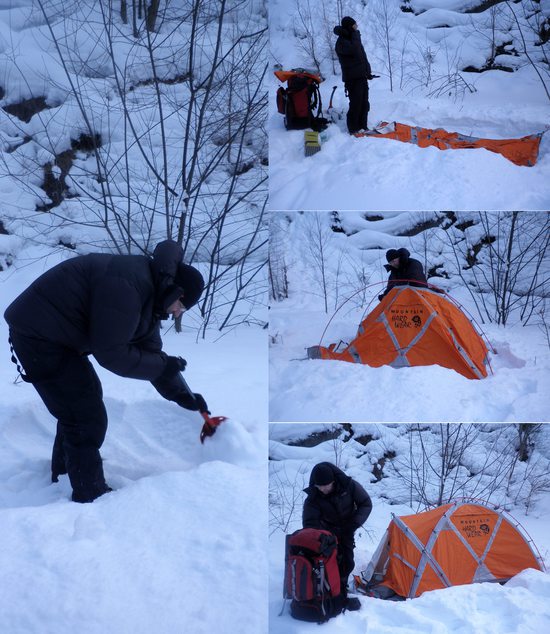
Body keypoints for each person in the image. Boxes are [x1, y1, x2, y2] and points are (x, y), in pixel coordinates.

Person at [4, 239, 208, 503]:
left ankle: (64, 474)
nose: (179, 312)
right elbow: (111, 354)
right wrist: (163, 365)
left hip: (58, 337)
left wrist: (182, 395)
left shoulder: (151, 292)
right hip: (38, 335)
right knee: (85, 414)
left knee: (81, 403)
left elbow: (151, 354)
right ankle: (89, 494)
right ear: (175, 292)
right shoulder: (128, 287)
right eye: (182, 305)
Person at [303, 462, 372, 610]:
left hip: (347, 529)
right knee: (329, 563)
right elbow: (309, 523)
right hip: (326, 536)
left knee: (347, 562)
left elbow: (365, 503)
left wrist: (353, 524)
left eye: (326, 485)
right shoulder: (313, 497)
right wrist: (322, 537)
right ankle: (332, 592)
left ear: (333, 481)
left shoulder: (349, 485)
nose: (323, 489)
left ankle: (341, 589)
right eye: (319, 486)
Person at [333, 16, 373, 135]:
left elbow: (362, 57)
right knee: (356, 104)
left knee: (364, 103)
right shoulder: (341, 42)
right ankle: (353, 129)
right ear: (350, 26)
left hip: (361, 77)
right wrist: (356, 35)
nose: (356, 27)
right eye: (355, 25)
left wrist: (368, 71)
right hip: (352, 79)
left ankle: (363, 126)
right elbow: (354, 50)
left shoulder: (353, 39)